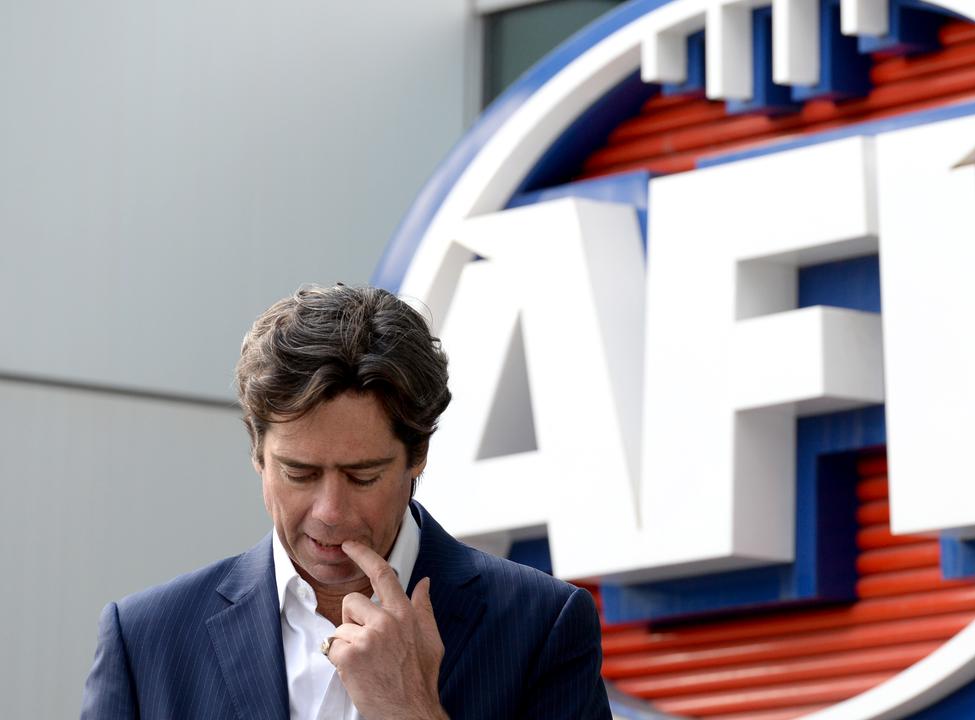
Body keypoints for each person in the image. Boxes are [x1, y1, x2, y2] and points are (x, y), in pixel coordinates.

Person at [80, 284, 612, 719]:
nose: (330, 512)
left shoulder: (543, 625)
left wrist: (409, 709)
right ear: (258, 455)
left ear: (417, 455)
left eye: (362, 476)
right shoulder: (145, 638)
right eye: (300, 473)